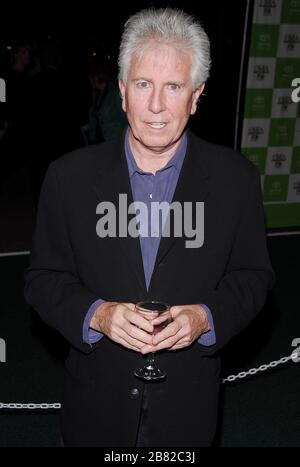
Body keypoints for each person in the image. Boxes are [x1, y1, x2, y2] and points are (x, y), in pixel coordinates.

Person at [24, 8, 275, 447]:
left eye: (173, 87)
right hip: (94, 408)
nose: (156, 106)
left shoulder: (237, 179)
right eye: (143, 85)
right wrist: (97, 315)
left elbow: (253, 277)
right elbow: (42, 279)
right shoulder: (68, 178)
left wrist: (205, 317)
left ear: (195, 97)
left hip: (188, 411)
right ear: (122, 92)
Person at [85, 57, 127, 143]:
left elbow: (126, 119)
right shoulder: (95, 95)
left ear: (99, 76)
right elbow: (96, 117)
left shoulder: (114, 94)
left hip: (114, 142)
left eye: (92, 77)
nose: (90, 81)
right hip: (99, 142)